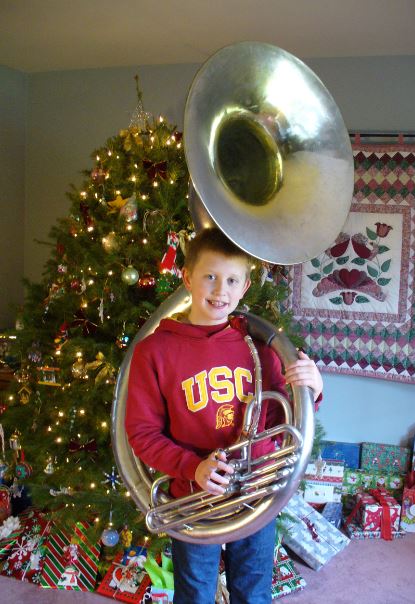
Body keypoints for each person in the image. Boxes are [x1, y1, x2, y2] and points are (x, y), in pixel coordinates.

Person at [125, 227, 323, 604]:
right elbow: (142, 433)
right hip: (195, 499)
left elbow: (287, 420)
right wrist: (192, 467)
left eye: (232, 279)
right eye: (210, 277)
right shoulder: (154, 351)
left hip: (258, 496)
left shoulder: (262, 347)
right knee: (195, 594)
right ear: (187, 278)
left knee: (253, 593)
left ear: (245, 287)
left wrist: (311, 388)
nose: (220, 290)